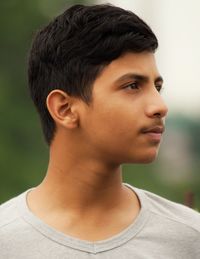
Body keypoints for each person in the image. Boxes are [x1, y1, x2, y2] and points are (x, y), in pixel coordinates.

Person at [0, 3, 199, 258]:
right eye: (132, 86)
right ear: (65, 109)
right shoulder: (7, 242)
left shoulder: (188, 238)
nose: (160, 106)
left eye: (156, 87)